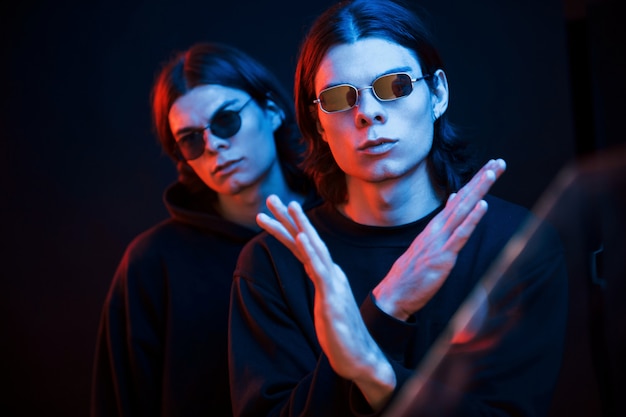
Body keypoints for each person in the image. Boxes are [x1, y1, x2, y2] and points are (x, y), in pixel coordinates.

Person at [228, 0, 568, 416]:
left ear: (438, 93)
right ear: (319, 123)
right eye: (339, 98)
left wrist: (373, 368)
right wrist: (386, 306)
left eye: (395, 86)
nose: (368, 113)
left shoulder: (516, 246)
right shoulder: (273, 264)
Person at [90, 42, 318, 417]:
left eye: (226, 119)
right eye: (191, 139)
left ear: (273, 110)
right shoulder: (153, 263)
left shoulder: (346, 223)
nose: (213, 145)